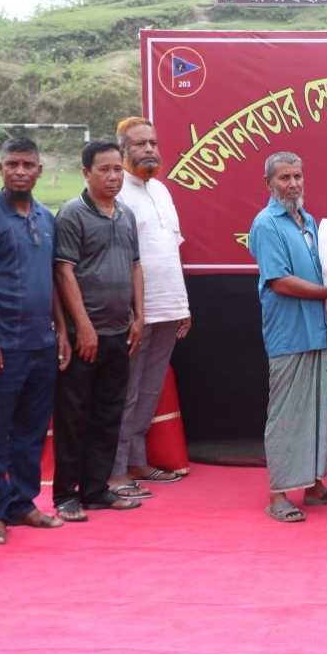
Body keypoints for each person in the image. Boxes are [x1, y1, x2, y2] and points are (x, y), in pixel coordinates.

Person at [248, 151, 327, 522]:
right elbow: (281, 281)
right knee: (287, 416)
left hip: (318, 332)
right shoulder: (267, 224)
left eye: (298, 176)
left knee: (318, 413)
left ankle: (315, 487)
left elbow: (323, 271)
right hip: (289, 334)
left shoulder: (308, 220)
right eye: (284, 178)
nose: (293, 184)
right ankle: (278, 495)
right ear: (268, 183)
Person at [0, 137, 68, 544]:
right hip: (1, 345)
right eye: (13, 164)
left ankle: (22, 503)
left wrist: (61, 329)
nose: (20, 171)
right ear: (0, 169)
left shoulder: (46, 217)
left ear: (40, 170)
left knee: (31, 431)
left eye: (28, 164)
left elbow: (53, 278)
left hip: (40, 344)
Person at [52, 139, 145, 521]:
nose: (112, 176)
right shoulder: (72, 214)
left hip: (119, 332)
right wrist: (83, 327)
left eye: (117, 169)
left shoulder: (125, 215)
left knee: (109, 414)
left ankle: (96, 489)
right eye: (104, 169)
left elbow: (136, 266)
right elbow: (63, 270)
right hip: (83, 337)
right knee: (74, 416)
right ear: (86, 172)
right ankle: (65, 495)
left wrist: (139, 316)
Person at [110, 117, 191, 493]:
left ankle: (138, 461)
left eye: (153, 144)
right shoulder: (116, 192)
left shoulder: (161, 191)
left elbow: (171, 251)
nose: (149, 150)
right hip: (135, 313)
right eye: (140, 144)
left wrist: (183, 305)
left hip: (169, 308)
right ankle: (116, 470)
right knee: (125, 390)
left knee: (149, 389)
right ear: (123, 150)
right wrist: (132, 312)